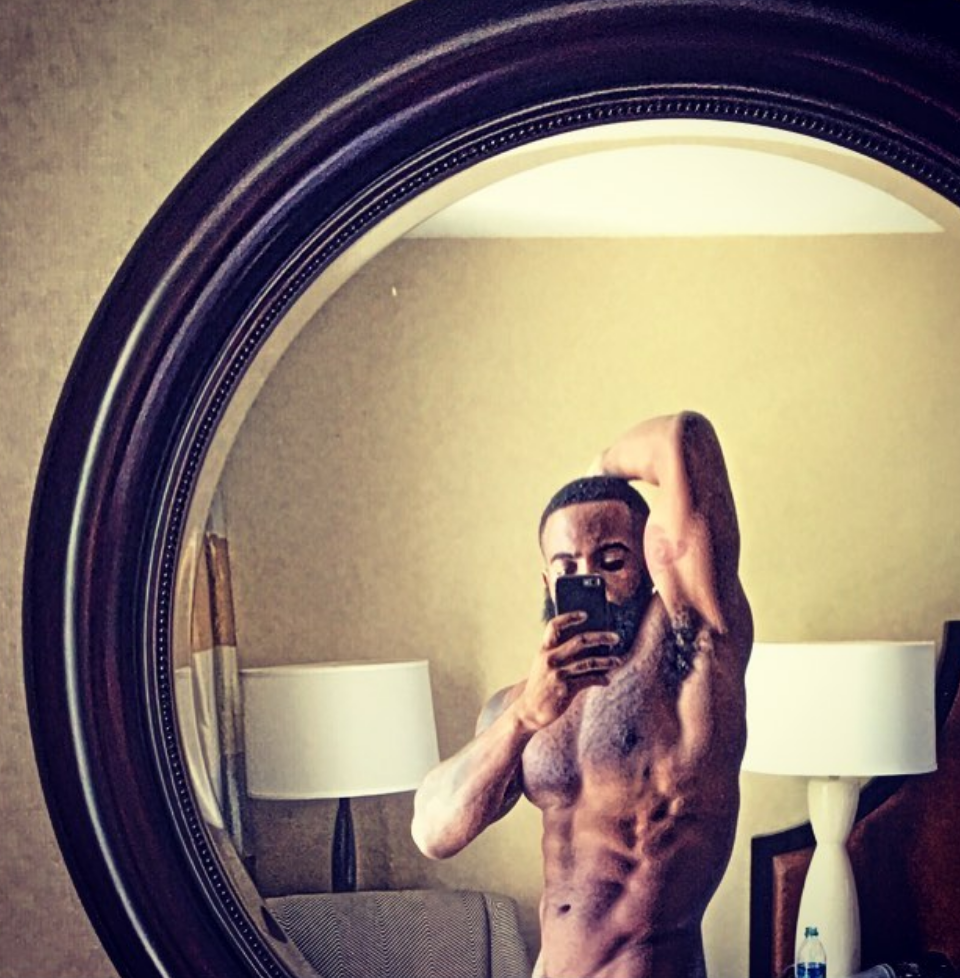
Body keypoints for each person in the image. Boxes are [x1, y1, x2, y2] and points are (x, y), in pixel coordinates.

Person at [411, 412, 753, 978]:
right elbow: (433, 833)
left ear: (649, 563)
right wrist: (525, 716)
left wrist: (600, 470)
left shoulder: (693, 650)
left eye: (611, 561)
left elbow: (684, 438)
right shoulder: (523, 705)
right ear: (547, 582)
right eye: (568, 567)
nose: (589, 578)